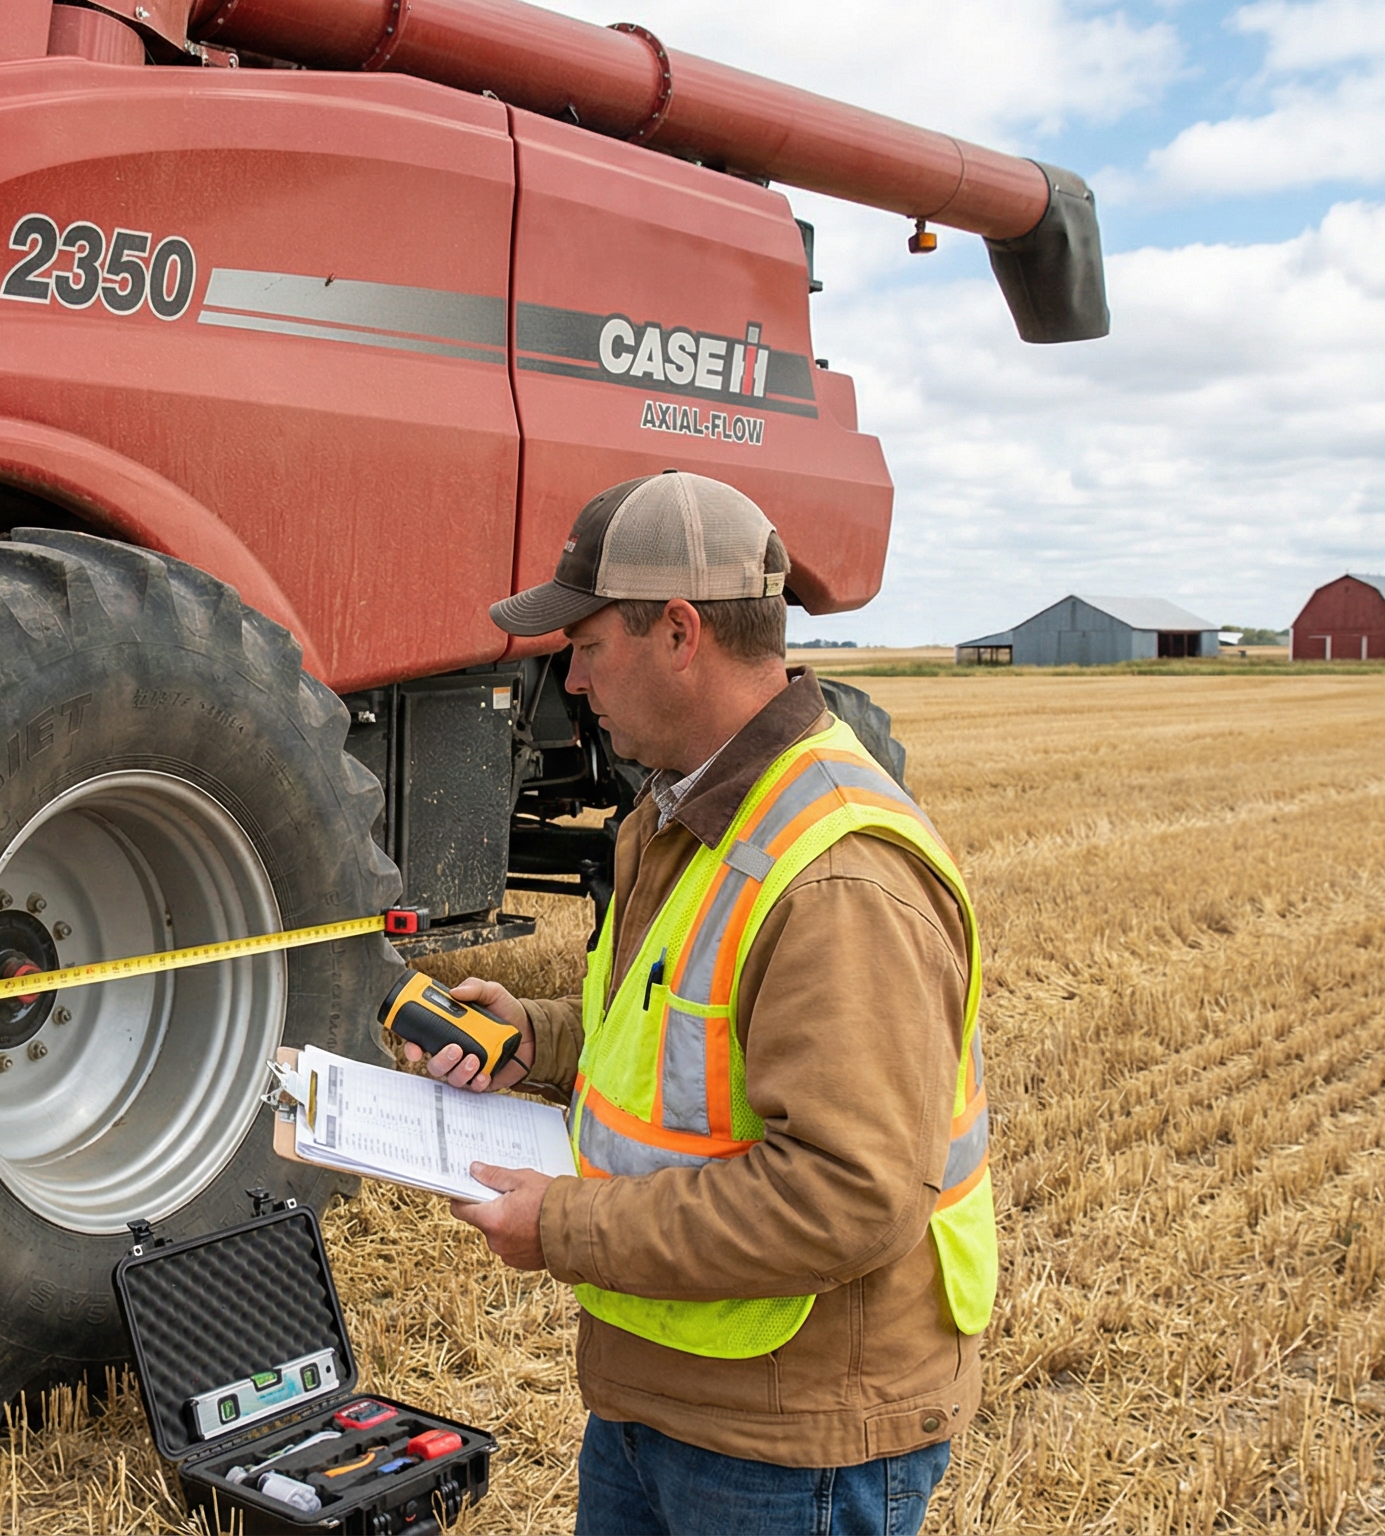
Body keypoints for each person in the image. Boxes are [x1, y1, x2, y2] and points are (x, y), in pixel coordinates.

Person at [408, 471, 994, 1536]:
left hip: (789, 1446)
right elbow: (676, 1033)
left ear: (678, 631)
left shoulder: (839, 876)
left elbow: (847, 1197)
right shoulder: (679, 817)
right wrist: (529, 1039)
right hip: (664, 1392)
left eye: (586, 647)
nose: (573, 681)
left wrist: (565, 1224)